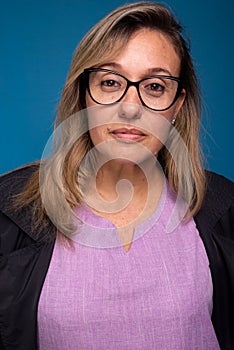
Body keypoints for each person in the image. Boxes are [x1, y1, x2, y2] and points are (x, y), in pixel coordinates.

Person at [0, 2, 233, 349]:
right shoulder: (9, 211)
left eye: (155, 86)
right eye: (110, 82)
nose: (130, 107)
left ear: (177, 104)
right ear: (83, 94)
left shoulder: (223, 208)